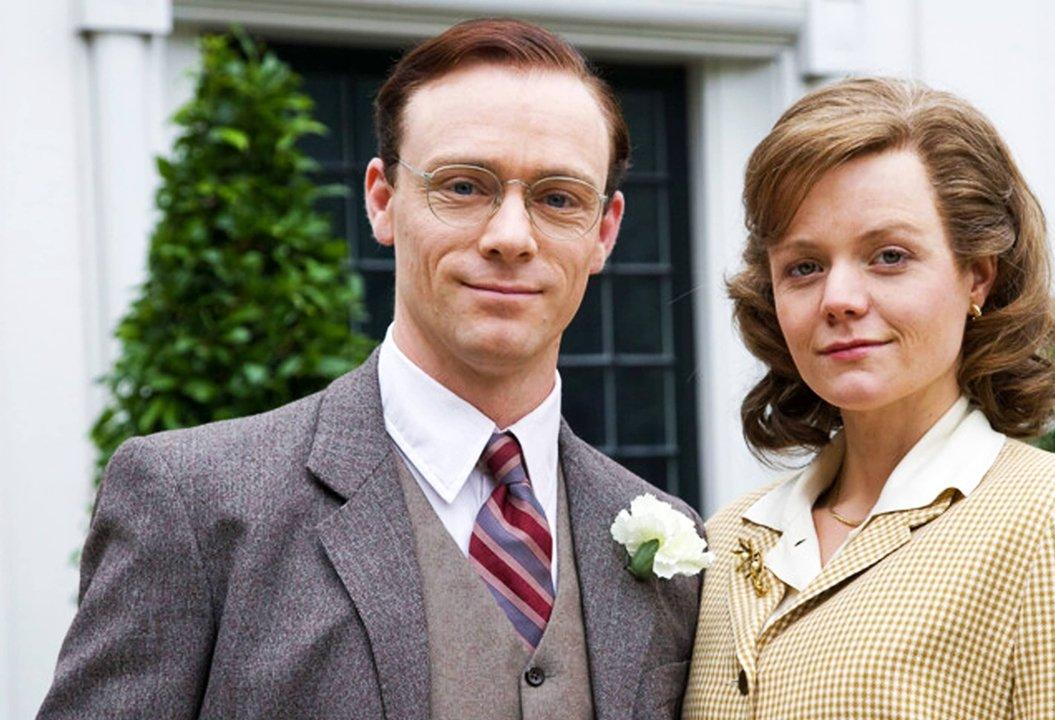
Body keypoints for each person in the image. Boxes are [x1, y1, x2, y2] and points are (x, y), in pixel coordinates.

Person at [39, 18, 703, 720]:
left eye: (558, 198)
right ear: (383, 202)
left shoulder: (670, 546)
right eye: (463, 186)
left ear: (604, 230)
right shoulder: (194, 504)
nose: (510, 237)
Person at [683, 77, 1055, 718]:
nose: (839, 299)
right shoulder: (726, 538)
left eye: (889, 256)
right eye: (804, 266)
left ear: (978, 275)